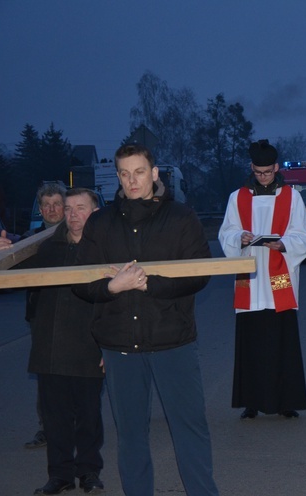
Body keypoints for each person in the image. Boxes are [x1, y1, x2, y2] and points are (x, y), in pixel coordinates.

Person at [75, 143, 219, 496]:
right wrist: (113, 286)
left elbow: (200, 274)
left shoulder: (182, 217)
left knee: (190, 430)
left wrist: (148, 284)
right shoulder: (101, 222)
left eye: (139, 172)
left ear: (154, 173)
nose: (131, 180)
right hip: (120, 345)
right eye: (124, 173)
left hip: (173, 341)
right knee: (131, 436)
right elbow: (82, 282)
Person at [218, 139, 306, 419]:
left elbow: (304, 235)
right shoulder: (238, 197)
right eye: (258, 172)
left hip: (279, 276)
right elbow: (226, 233)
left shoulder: (292, 197)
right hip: (250, 276)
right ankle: (251, 401)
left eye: (268, 172)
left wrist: (284, 244)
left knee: (282, 340)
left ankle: (286, 401)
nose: (263, 177)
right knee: (251, 343)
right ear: (251, 168)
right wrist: (240, 237)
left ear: (276, 167)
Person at [22, 188, 105, 494]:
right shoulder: (47, 247)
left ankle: (89, 473)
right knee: (54, 420)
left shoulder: (105, 248)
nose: (71, 215)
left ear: (95, 212)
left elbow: (117, 302)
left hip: (88, 348)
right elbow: (15, 270)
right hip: (50, 348)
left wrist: (107, 346)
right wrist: (4, 251)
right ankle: (60, 476)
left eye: (79, 208)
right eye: (67, 209)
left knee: (88, 419)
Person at [0, 181, 68, 450]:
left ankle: (80, 429)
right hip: (42, 317)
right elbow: (7, 276)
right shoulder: (28, 241)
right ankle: (46, 429)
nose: (51, 209)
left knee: (81, 374)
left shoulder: (83, 235)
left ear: (65, 205)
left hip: (78, 315)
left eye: (56, 203)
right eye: (45, 205)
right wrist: (2, 252)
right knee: (46, 374)